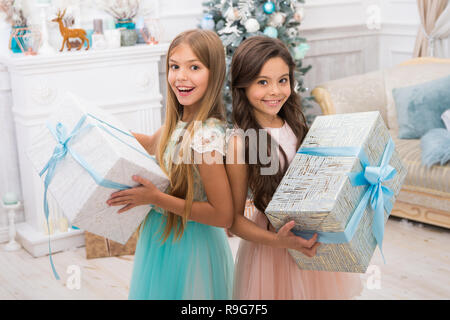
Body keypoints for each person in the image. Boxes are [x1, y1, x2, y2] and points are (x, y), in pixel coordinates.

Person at [226, 36, 363, 300]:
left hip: (310, 238)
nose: (275, 91)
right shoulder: (239, 142)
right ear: (243, 85)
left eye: (282, 80)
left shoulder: (294, 125)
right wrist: (281, 241)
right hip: (271, 247)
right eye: (262, 82)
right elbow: (234, 222)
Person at [107, 29, 234, 300]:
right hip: (162, 239)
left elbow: (223, 215)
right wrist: (104, 132)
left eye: (194, 67)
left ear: (215, 74)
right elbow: (154, 142)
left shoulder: (206, 136)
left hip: (190, 247)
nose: (181, 76)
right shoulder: (179, 123)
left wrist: (156, 199)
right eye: (174, 66)